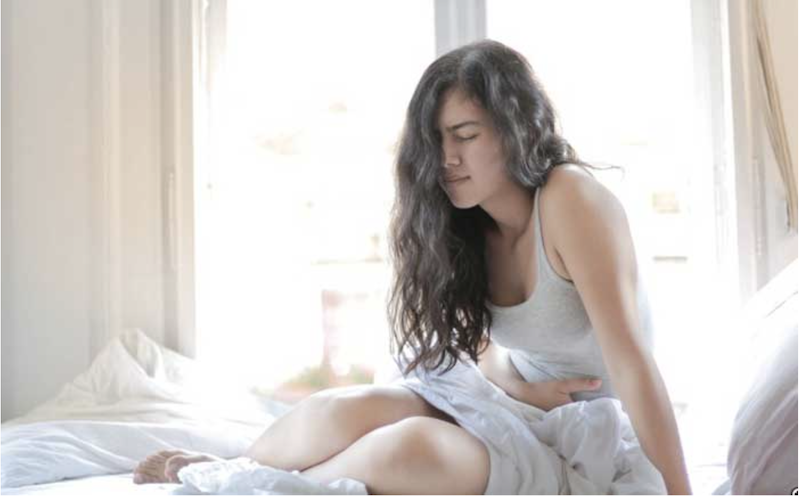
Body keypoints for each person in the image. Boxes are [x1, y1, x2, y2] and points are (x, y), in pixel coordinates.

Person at [133, 39, 692, 494]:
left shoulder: (571, 200)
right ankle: (225, 471)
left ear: (517, 126)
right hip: (514, 406)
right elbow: (485, 350)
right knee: (349, 408)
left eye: (466, 136)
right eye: (437, 140)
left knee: (412, 448)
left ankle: (248, 486)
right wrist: (516, 387)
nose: (447, 158)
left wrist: (679, 494)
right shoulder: (471, 222)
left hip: (589, 440)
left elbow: (634, 362)